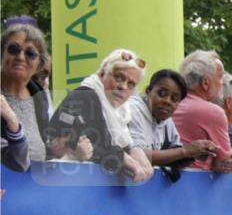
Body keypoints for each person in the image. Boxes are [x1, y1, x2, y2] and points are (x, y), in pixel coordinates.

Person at [47, 48, 153, 181]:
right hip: (62, 181)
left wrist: (134, 150)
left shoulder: (122, 112)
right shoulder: (84, 96)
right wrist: (124, 158)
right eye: (119, 77)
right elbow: (82, 145)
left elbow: (109, 146)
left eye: (131, 84)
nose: (123, 86)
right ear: (102, 74)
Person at [127, 68, 220, 171]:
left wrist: (195, 153)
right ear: (149, 91)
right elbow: (138, 156)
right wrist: (186, 151)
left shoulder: (166, 118)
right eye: (161, 94)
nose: (167, 101)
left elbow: (174, 154)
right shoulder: (132, 110)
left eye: (174, 99)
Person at [172, 50, 232, 173]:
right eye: (220, 77)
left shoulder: (169, 105)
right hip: (195, 186)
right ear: (205, 83)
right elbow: (225, 163)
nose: (222, 83)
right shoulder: (212, 112)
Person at [1, 23, 50, 163]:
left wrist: (63, 149)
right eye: (14, 49)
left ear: (39, 64)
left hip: (33, 182)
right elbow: (15, 161)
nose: (21, 57)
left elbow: (43, 147)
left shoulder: (39, 96)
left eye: (30, 53)